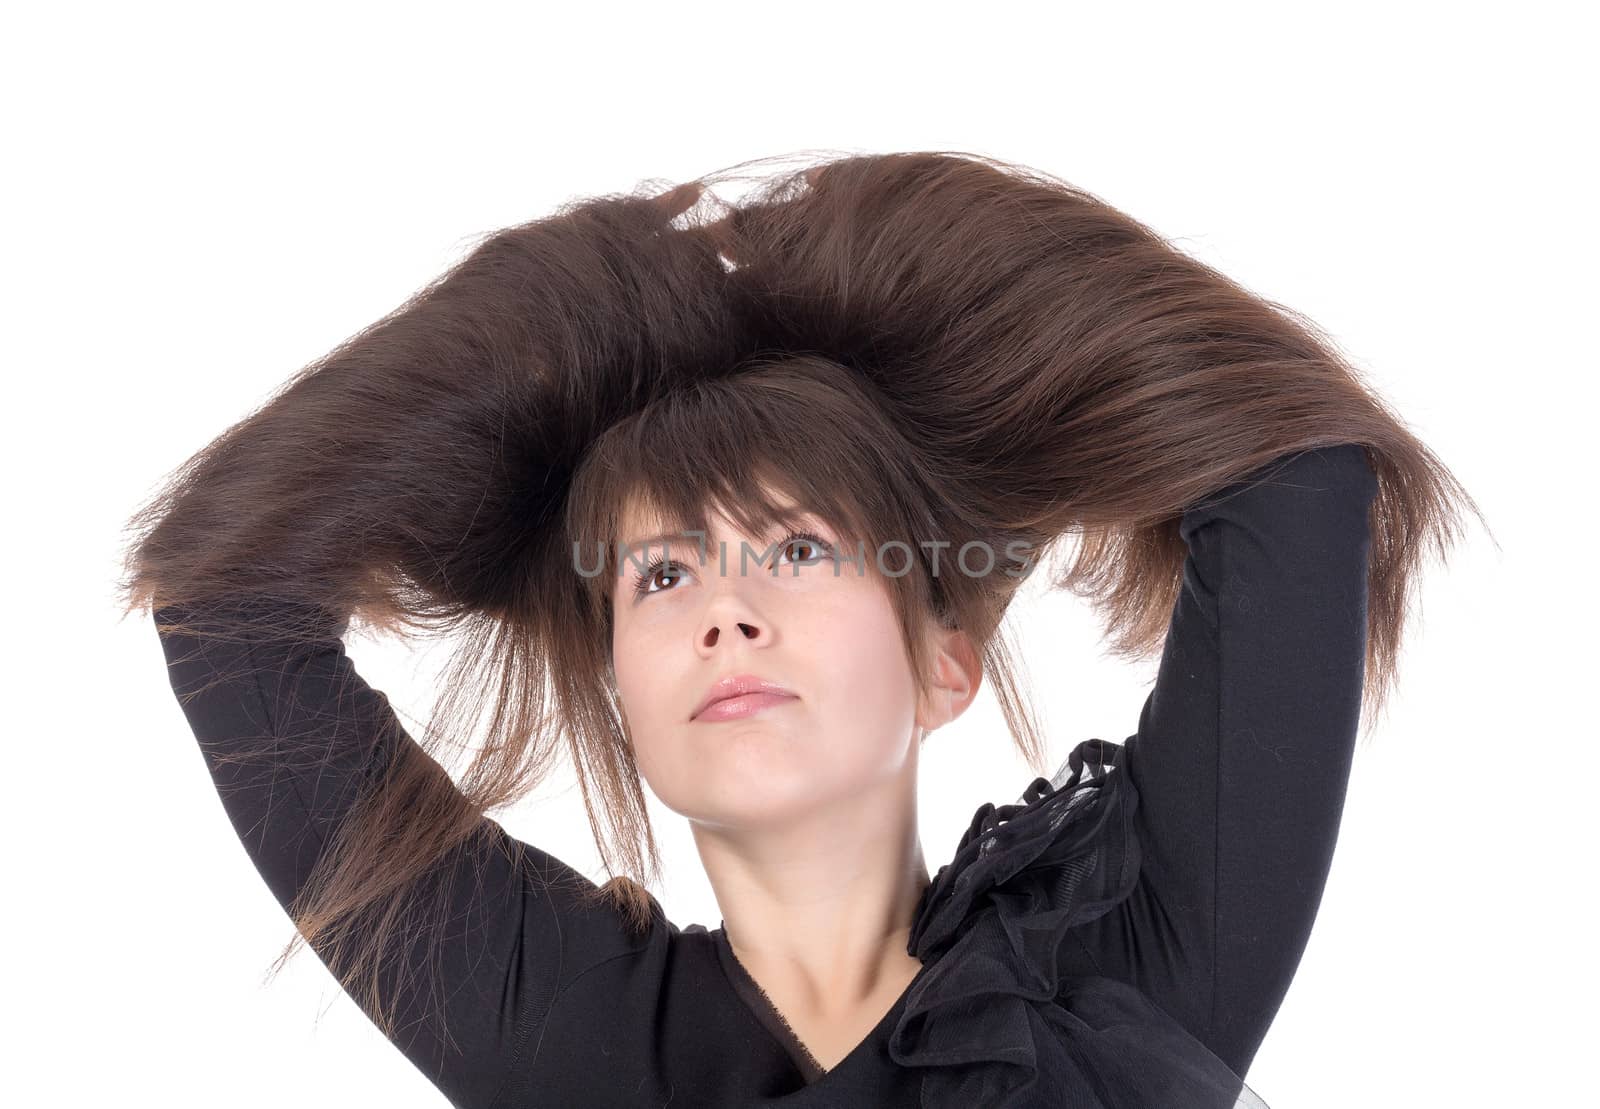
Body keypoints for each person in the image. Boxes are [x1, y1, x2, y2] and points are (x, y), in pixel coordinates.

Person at [120, 151, 1483, 1108]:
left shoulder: (1128, 973)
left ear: (946, 660)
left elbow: (1293, 469)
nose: (725, 610)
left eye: (797, 547)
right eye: (660, 575)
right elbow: (230, 609)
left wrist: (805, 271)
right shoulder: (571, 1038)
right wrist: (601, 296)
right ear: (623, 696)